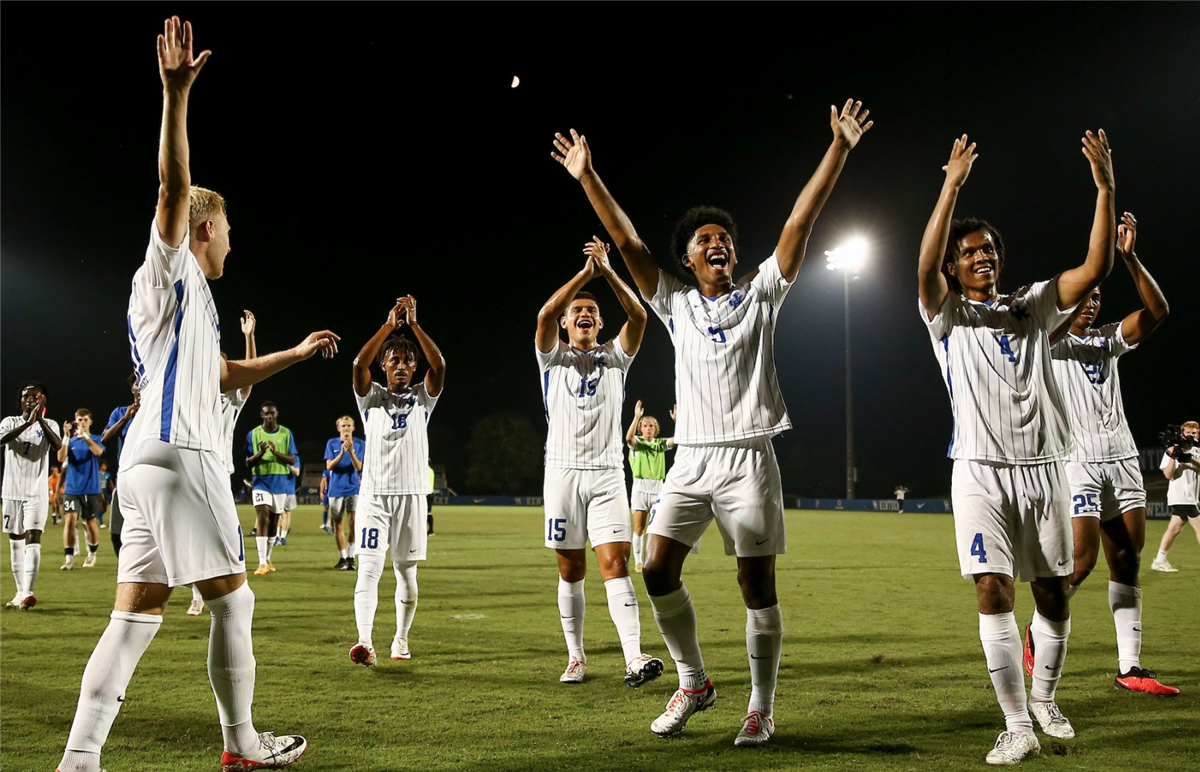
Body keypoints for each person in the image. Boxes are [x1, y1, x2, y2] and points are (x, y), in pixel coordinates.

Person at [55, 19, 337, 772]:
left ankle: (79, 758)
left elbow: (220, 375)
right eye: (230, 229)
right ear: (206, 227)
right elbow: (173, 186)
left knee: (135, 615)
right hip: (183, 455)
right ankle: (242, 744)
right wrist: (175, 97)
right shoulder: (173, 263)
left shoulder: (192, 303)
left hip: (144, 464)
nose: (232, 239)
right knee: (235, 600)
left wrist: (294, 353)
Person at [551, 99, 872, 745]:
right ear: (689, 261)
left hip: (749, 456)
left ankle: (761, 706)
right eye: (705, 242)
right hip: (692, 459)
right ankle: (694, 680)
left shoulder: (760, 293)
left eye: (723, 239)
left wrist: (838, 146)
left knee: (755, 582)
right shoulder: (673, 302)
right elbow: (627, 242)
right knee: (656, 568)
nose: (718, 244)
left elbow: (800, 221)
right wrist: (587, 176)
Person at [917, 130, 1115, 764]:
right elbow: (922, 268)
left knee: (1052, 592)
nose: (984, 256)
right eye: (971, 252)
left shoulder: (1032, 305)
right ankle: (1015, 723)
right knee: (992, 590)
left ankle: (1046, 698)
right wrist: (950, 187)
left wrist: (1104, 189)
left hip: (1044, 469)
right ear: (955, 266)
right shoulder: (946, 316)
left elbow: (1095, 269)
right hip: (977, 471)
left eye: (990, 249)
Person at [1043, 213, 1176, 695]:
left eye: (1096, 297)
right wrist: (1080, 283)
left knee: (1128, 560)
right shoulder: (1049, 343)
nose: (1090, 303)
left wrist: (1131, 259)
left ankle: (1131, 668)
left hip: (1122, 461)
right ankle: (1037, 633)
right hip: (1076, 463)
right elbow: (1046, 328)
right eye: (1083, 295)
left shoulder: (1107, 341)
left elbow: (1158, 311)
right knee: (1081, 561)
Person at [536, 238, 665, 690]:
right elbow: (544, 316)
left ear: (600, 321)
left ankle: (634, 657)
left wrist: (607, 272)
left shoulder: (616, 357)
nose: (584, 314)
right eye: (577, 312)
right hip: (563, 474)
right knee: (571, 569)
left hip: (609, 474)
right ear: (569, 322)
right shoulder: (552, 358)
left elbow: (641, 316)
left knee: (615, 563)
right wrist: (583, 277)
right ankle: (576, 657)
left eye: (591, 310)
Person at [349, 296, 445, 666]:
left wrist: (415, 325)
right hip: (374, 496)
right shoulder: (370, 398)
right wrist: (390, 325)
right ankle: (364, 642)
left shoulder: (424, 398)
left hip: (411, 496)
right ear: (384, 367)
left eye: (407, 361)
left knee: (406, 571)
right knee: (369, 569)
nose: (401, 366)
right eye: (394, 360)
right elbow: (359, 363)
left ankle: (401, 640)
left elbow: (439, 364)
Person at [190, 310, 257, 618]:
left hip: (219, 472)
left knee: (224, 538)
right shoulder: (191, 394)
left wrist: (248, 337)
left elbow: (250, 374)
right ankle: (197, 594)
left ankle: (229, 592)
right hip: (192, 471)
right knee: (193, 536)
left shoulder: (231, 396)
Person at [2, 382, 62, 609]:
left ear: (44, 402)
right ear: (20, 401)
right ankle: (19, 593)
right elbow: (2, 439)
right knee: (15, 541)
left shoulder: (51, 425)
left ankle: (28, 592)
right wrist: (27, 423)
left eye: (36, 397)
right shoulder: (10, 422)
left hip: (36, 492)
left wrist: (40, 421)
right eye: (27, 397)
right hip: (11, 491)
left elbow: (57, 446)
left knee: (34, 537)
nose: (30, 400)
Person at [245, 401, 297, 575]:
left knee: (274, 522)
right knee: (262, 516)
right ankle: (261, 563)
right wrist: (260, 453)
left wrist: (275, 453)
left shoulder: (286, 433)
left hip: (280, 482)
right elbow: (247, 461)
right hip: (260, 482)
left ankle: (267, 558)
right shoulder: (253, 434)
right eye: (266, 413)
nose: (269, 416)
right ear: (261, 415)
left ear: (277, 414)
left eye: (272, 413)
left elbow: (292, 459)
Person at [625, 400, 675, 573]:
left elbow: (677, 440)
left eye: (651, 426)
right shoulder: (637, 444)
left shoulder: (660, 444)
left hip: (658, 489)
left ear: (656, 429)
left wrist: (677, 422)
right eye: (645, 425)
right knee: (639, 527)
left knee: (657, 528)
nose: (648, 428)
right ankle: (638, 561)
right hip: (640, 488)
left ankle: (653, 561)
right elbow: (628, 439)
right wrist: (636, 416)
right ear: (641, 428)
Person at [58, 409, 106, 569]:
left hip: (90, 489)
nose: (82, 422)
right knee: (70, 521)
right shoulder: (70, 442)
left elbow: (98, 452)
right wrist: (65, 436)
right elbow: (60, 457)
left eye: (85, 419)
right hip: (72, 489)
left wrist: (84, 435)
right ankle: (69, 559)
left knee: (90, 523)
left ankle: (92, 554)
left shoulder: (96, 439)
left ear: (90, 422)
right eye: (79, 419)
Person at [1151, 421, 1200, 572]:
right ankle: (1159, 560)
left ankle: (1159, 560)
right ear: (1182, 434)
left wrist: (1188, 458)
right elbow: (1168, 475)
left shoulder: (1198, 450)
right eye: (1188, 432)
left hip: (1193, 497)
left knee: (1174, 529)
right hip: (1181, 496)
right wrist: (1173, 457)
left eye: (1194, 433)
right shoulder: (1172, 449)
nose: (1191, 435)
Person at [102, 375, 141, 555]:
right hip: (125, 479)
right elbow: (105, 438)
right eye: (137, 383)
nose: (141, 386)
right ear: (132, 388)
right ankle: (124, 569)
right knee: (116, 533)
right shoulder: (120, 412)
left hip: (150, 481)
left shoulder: (160, 412)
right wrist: (125, 419)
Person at [325, 416, 364, 570]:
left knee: (354, 523)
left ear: (353, 428)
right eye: (343, 426)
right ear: (338, 428)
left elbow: (358, 466)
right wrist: (341, 453)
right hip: (335, 489)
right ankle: (342, 557)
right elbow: (329, 466)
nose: (346, 428)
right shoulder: (332, 443)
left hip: (353, 488)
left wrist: (351, 451)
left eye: (349, 426)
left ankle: (351, 557)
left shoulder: (360, 444)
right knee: (338, 524)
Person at [320, 469, 332, 535]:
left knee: (326, 508)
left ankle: (325, 524)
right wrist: (321, 492)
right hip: (332, 493)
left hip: (328, 493)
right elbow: (323, 481)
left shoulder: (326, 471)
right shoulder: (328, 471)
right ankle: (328, 526)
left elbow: (323, 481)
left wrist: (321, 492)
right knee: (333, 510)